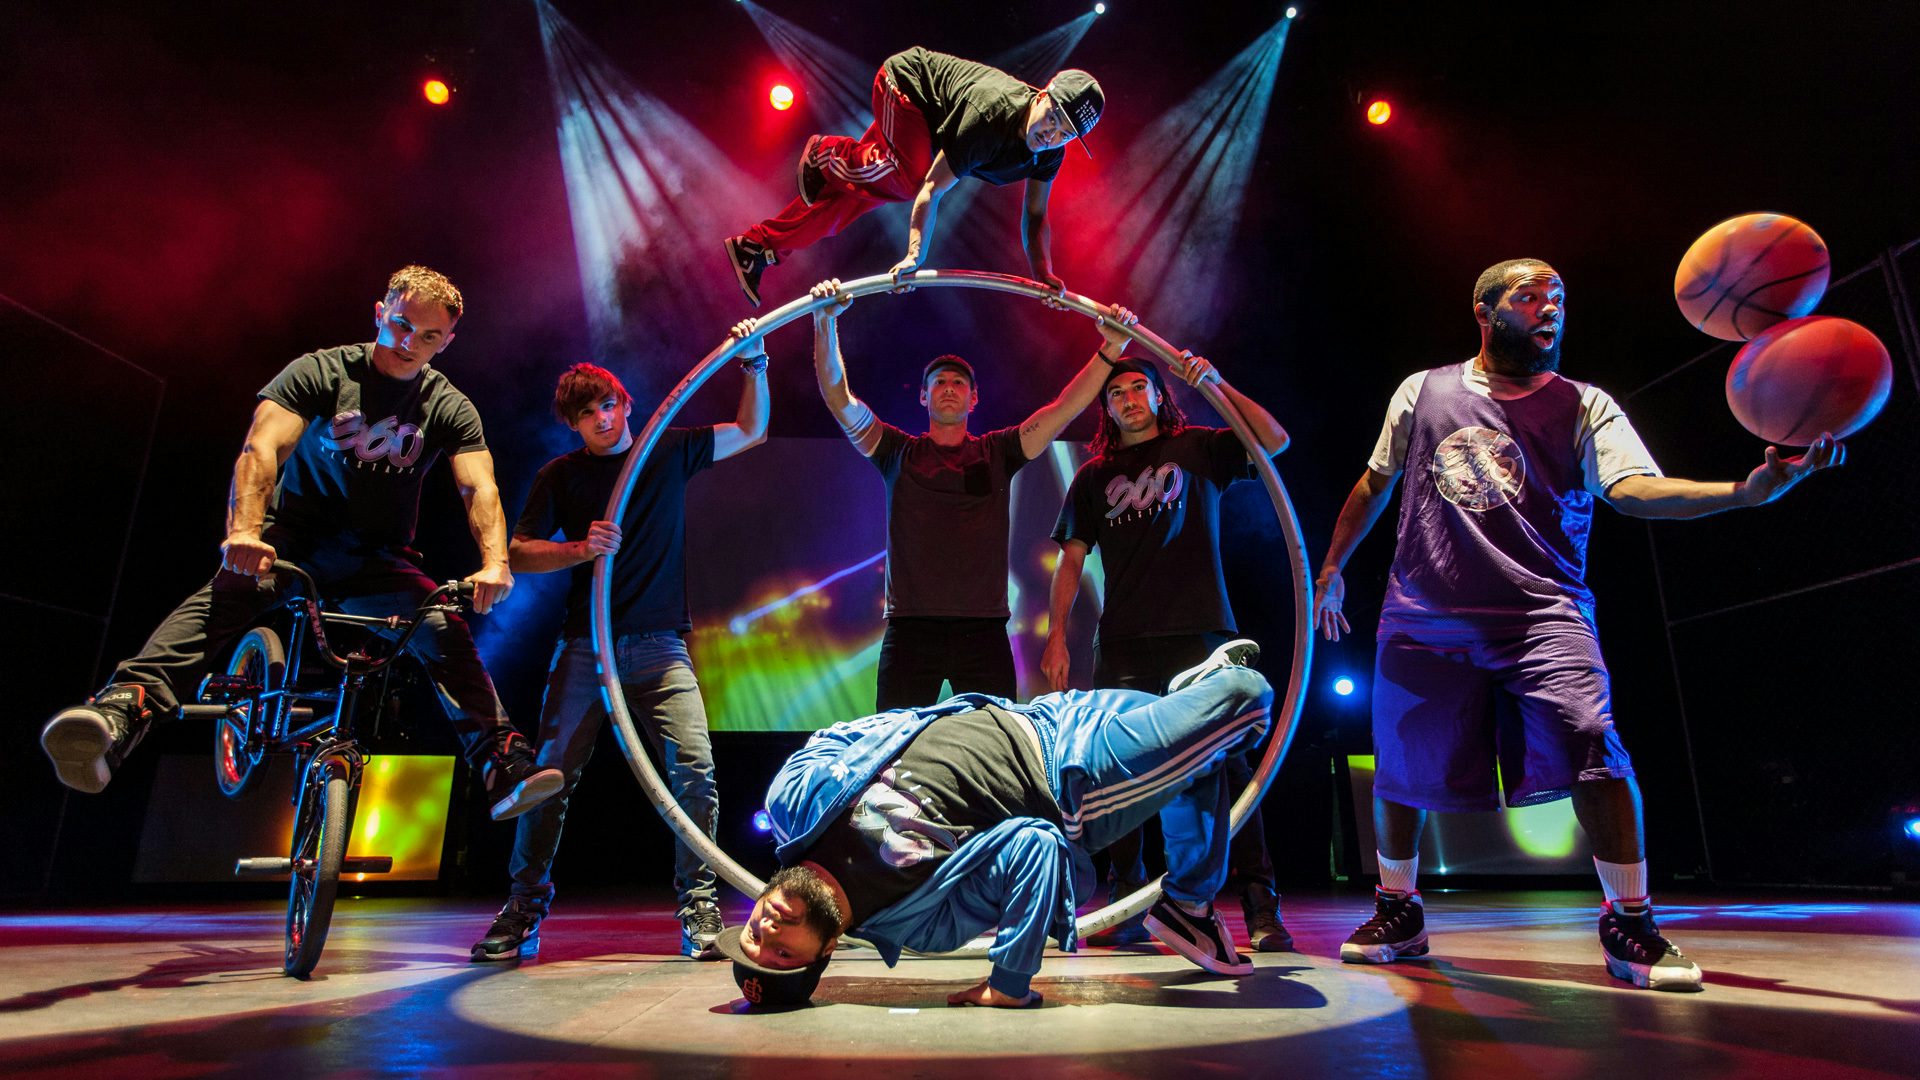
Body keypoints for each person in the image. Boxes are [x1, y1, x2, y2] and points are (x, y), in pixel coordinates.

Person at [1313, 258, 1846, 991]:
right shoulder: (1424, 390)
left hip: (1542, 612)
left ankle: (1630, 920)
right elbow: (1376, 481)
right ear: (1485, 311)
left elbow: (1633, 490)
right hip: (1426, 610)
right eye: (1529, 298)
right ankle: (1398, 910)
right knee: (1402, 766)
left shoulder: (1585, 403)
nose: (1549, 311)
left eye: (1558, 299)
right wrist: (1331, 568)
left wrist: (1744, 492)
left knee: (1594, 745)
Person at [40, 265, 564, 820]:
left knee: (439, 626)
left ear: (447, 342)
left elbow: (478, 485)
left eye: (430, 337)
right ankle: (122, 711)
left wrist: (495, 563)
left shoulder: (448, 406)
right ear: (380, 313)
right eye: (404, 325)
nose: (411, 344)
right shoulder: (322, 371)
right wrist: (243, 533)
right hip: (291, 542)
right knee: (226, 594)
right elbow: (261, 449)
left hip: (379, 560)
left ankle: (501, 762)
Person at [714, 639, 1274, 1010]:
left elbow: (837, 735)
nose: (765, 931)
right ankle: (1201, 695)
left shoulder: (792, 804)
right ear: (827, 947)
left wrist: (942, 716)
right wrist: (1008, 982)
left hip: (1044, 713)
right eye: (783, 953)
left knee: (1205, 753)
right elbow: (1036, 847)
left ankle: (1189, 905)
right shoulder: (919, 923)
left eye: (751, 938)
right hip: (1075, 773)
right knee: (1244, 699)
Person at [471, 324, 770, 963]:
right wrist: (581, 548)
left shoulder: (668, 448)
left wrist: (754, 364)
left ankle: (698, 911)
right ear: (574, 426)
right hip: (587, 647)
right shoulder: (563, 475)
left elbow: (752, 431)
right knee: (546, 780)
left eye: (608, 404)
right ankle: (522, 909)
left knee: (695, 773)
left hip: (661, 647)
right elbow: (518, 551)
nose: (602, 419)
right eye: (588, 414)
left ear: (627, 403)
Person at [1043, 351, 1295, 952]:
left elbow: (1274, 439)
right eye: (1117, 393)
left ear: (1159, 396)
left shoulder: (1201, 449)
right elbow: (1071, 559)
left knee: (1229, 769)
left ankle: (1261, 908)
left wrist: (1213, 380)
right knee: (1117, 769)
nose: (1129, 399)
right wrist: (1055, 635)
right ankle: (1124, 902)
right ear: (1106, 407)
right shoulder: (1093, 478)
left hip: (1202, 638)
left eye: (1139, 388)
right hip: (1126, 643)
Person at [807, 277, 1137, 710]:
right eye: (940, 382)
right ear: (924, 397)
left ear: (973, 398)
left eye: (959, 383)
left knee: (995, 748)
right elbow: (838, 397)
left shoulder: (997, 452)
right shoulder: (895, 452)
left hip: (982, 632)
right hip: (910, 630)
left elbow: (1061, 410)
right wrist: (824, 322)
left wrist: (1110, 349)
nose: (949, 388)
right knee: (892, 748)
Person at [722, 48, 1103, 307]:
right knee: (907, 180)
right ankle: (827, 154)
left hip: (933, 128)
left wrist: (1044, 273)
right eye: (1053, 118)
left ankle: (757, 247)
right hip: (907, 87)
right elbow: (931, 190)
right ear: (1041, 97)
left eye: (1065, 132)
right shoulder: (990, 116)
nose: (1051, 135)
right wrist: (914, 255)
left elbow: (1036, 216)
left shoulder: (1050, 153)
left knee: (855, 198)